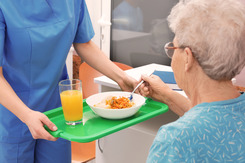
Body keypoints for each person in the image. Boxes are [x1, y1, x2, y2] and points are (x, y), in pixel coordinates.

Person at [0, 1, 137, 162]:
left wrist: (122, 78)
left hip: (58, 112)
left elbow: (83, 43)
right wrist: (26, 115)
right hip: (13, 112)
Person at [139, 0, 245, 162]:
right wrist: (167, 95)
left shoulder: (174, 140)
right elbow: (215, 118)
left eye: (173, 49)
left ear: (187, 57)